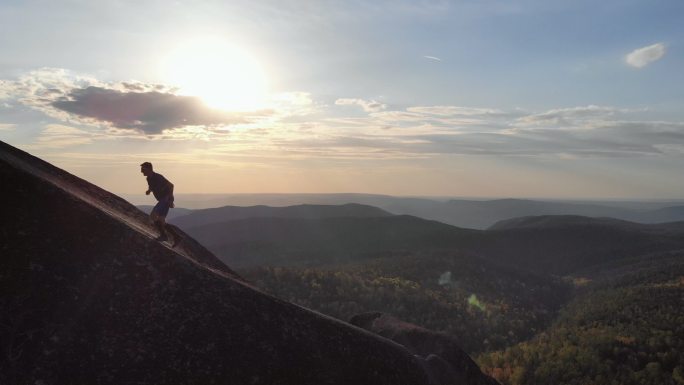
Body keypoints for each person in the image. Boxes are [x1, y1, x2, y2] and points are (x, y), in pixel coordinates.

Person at [140, 162, 181, 247]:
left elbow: (171, 185)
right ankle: (176, 237)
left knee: (153, 216)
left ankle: (164, 236)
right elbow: (151, 186)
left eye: (143, 169)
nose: (141, 171)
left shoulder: (158, 177)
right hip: (163, 200)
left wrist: (170, 199)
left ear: (149, 169)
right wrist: (149, 190)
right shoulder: (149, 179)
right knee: (161, 220)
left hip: (165, 199)